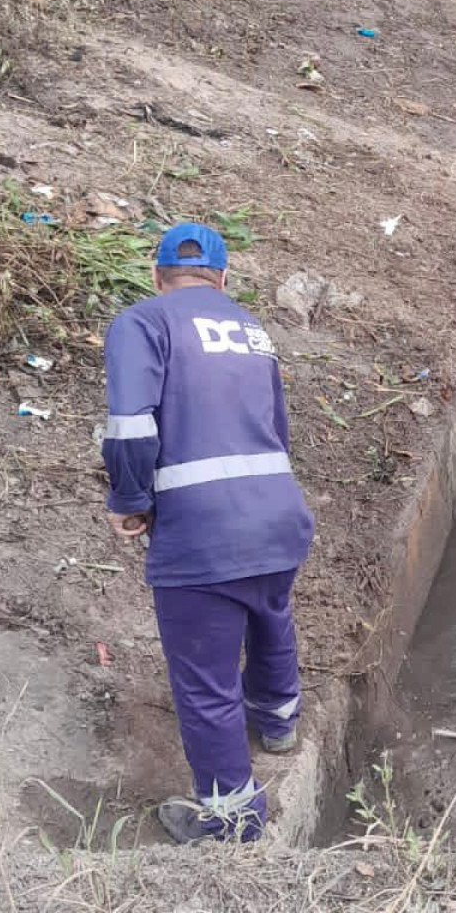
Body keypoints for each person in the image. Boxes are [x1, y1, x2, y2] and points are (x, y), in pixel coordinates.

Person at [100, 222, 314, 844]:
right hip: (278, 513)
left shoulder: (142, 323)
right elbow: (276, 428)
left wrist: (129, 500)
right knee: (270, 613)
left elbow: (130, 427)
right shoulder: (252, 330)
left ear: (155, 274)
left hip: (202, 532)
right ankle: (277, 719)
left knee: (204, 681)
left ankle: (231, 821)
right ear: (222, 278)